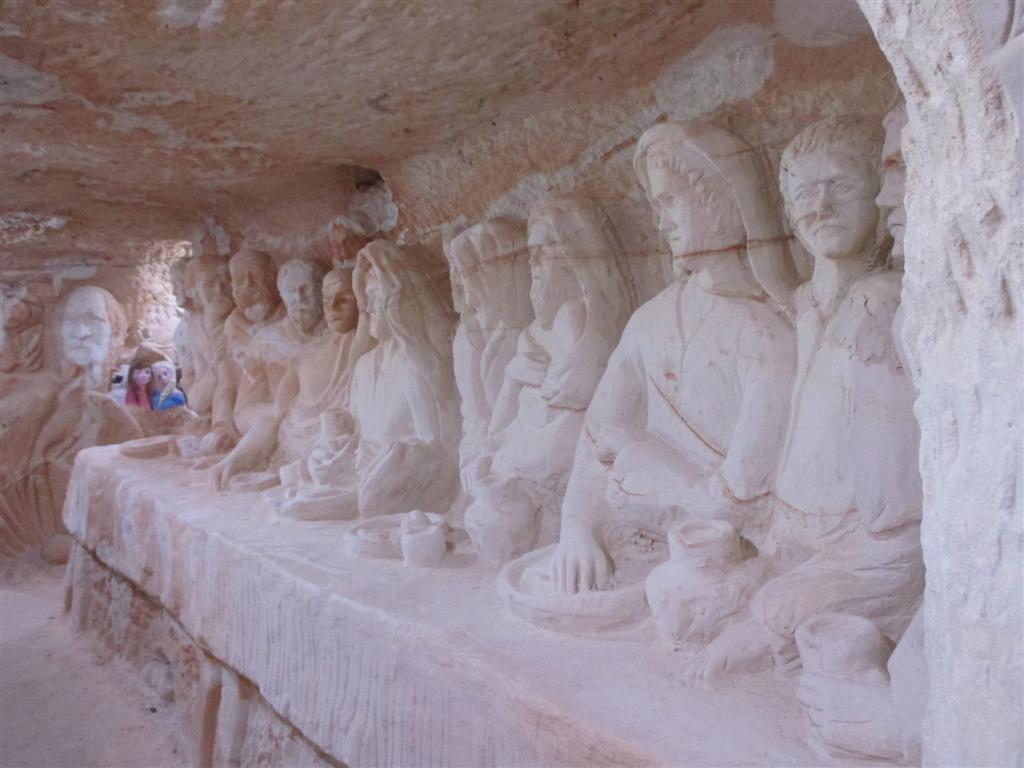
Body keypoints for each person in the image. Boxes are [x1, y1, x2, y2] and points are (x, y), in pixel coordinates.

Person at [684, 116, 923, 686]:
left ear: (879, 195)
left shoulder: (883, 304)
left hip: (868, 554)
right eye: (804, 193)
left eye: (840, 185)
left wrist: (772, 609)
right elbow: (771, 269)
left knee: (753, 628)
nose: (820, 206)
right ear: (790, 212)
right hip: (790, 539)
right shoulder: (807, 305)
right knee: (694, 603)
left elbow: (892, 524)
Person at [548, 121, 797, 594]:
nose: (661, 224)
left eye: (670, 202)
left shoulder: (769, 338)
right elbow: (598, 433)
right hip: (631, 532)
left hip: (717, 556)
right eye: (657, 207)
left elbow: (743, 505)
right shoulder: (650, 321)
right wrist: (577, 526)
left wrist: (647, 457)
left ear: (721, 204)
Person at [464, 194, 634, 563]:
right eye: (531, 254)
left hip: (560, 452)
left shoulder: (581, 319)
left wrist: (521, 380)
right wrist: (493, 446)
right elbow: (508, 411)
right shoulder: (533, 332)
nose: (535, 265)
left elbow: (570, 397)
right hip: (524, 448)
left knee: (499, 517)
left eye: (546, 252)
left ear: (575, 257)